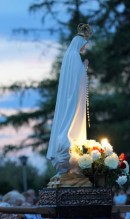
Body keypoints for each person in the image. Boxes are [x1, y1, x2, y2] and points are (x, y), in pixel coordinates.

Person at [46, 23, 92, 175]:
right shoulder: (74, 57)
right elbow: (78, 80)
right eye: (83, 46)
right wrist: (84, 68)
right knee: (71, 123)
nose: (83, 49)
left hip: (71, 97)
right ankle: (69, 156)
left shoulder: (68, 57)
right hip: (73, 98)